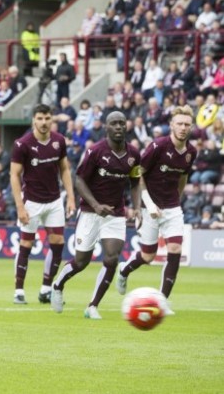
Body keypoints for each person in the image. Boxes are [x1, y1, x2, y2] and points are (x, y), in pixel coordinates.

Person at [50, 112, 142, 319]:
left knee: (111, 258)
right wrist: (95, 205)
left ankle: (92, 306)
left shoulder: (134, 154)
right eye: (114, 123)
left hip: (115, 214)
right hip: (91, 212)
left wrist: (136, 207)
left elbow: (136, 181)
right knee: (81, 262)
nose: (118, 126)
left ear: (126, 126)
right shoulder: (95, 151)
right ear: (107, 128)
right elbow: (79, 180)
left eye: (121, 123)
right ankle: (57, 285)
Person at [115, 105, 197, 315]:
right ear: (171, 125)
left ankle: (161, 301)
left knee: (175, 250)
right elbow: (136, 174)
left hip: (171, 208)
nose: (183, 127)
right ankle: (124, 269)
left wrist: (176, 201)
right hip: (147, 206)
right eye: (179, 123)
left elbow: (183, 177)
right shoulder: (158, 146)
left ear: (191, 127)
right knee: (148, 256)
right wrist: (148, 204)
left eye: (187, 124)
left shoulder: (191, 152)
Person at [10, 104, 76, 304]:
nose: (44, 122)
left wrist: (71, 197)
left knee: (57, 243)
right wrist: (20, 207)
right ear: (33, 120)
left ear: (52, 120)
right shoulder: (23, 144)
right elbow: (14, 175)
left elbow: (64, 169)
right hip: (31, 201)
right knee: (26, 244)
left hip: (54, 200)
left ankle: (46, 288)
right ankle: (19, 291)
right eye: (40, 118)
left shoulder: (59, 141)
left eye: (47, 118)